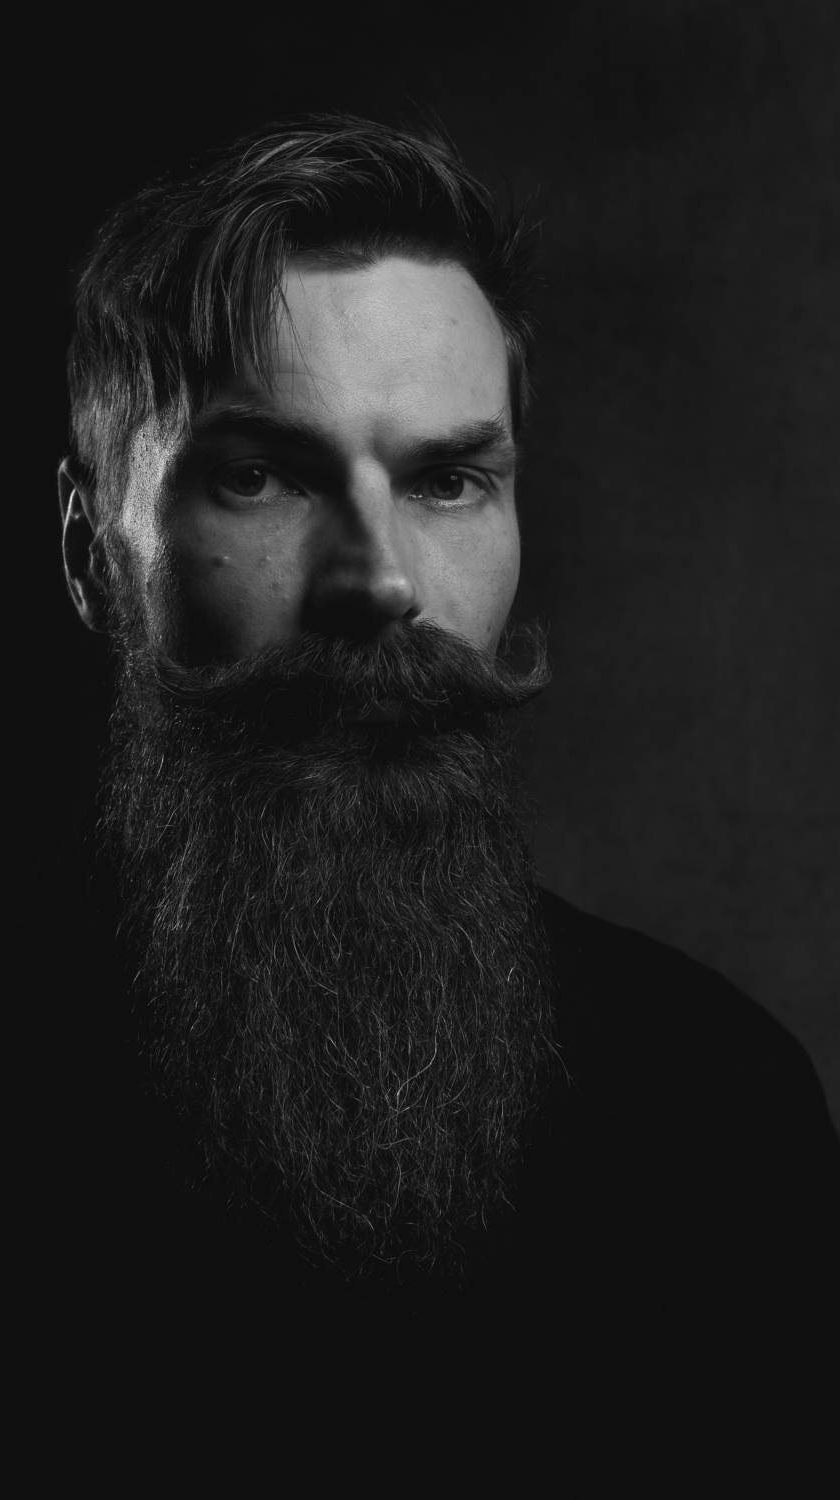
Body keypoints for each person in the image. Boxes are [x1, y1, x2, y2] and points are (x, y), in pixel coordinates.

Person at [55, 113, 838, 1350]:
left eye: (446, 482)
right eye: (261, 477)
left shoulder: (720, 1104)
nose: (378, 583)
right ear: (91, 553)